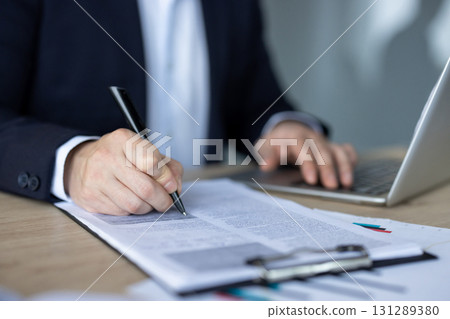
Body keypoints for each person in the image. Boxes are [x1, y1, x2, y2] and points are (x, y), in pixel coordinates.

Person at [0, 0, 357, 216]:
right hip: (64, 234)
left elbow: (256, 98)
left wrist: (281, 127)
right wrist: (74, 162)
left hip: (210, 220)